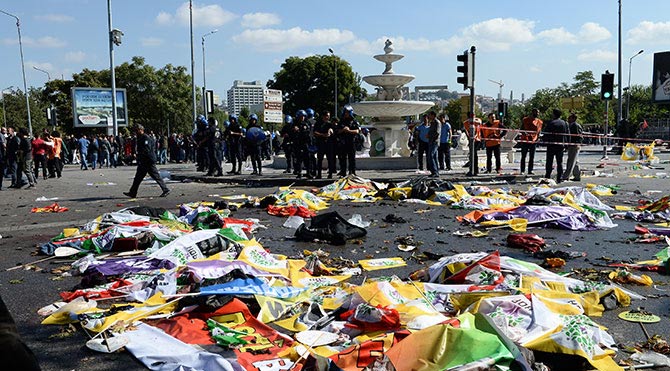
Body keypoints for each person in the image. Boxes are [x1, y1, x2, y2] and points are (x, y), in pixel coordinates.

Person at [124, 125, 170, 198]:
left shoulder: (146, 138)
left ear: (141, 130)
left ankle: (165, 189)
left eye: (137, 130)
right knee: (138, 178)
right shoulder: (140, 138)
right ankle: (132, 192)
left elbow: (147, 149)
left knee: (155, 176)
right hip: (143, 161)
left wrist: (138, 155)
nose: (136, 132)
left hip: (148, 160)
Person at [543, 108, 569, 182]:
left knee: (549, 161)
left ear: (554, 114)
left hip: (551, 145)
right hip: (560, 145)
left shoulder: (551, 123)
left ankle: (548, 175)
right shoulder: (564, 123)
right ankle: (560, 177)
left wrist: (545, 142)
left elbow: (546, 133)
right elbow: (567, 134)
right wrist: (566, 145)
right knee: (559, 162)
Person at [337, 106, 360, 176]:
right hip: (343, 142)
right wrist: (343, 130)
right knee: (342, 158)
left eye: (347, 112)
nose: (346, 114)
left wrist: (349, 130)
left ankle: (352, 171)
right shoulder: (341, 121)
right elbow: (337, 131)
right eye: (345, 112)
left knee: (352, 158)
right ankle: (343, 171)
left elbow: (357, 131)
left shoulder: (354, 121)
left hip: (351, 141)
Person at [519, 108, 542, 175]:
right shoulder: (525, 120)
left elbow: (539, 131)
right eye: (536, 112)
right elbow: (521, 129)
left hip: (533, 141)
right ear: (532, 112)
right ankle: (522, 170)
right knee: (523, 156)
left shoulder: (539, 122)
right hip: (525, 140)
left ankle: (530, 170)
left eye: (538, 112)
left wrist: (539, 136)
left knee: (532, 156)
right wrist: (524, 133)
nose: (537, 114)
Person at [314, 110, 336, 179]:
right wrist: (323, 135)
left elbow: (334, 131)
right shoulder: (318, 123)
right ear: (323, 116)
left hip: (329, 143)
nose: (327, 118)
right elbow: (315, 132)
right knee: (320, 159)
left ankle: (330, 174)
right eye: (326, 116)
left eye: (329, 116)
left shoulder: (330, 124)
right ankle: (319, 174)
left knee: (330, 159)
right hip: (321, 143)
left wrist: (331, 130)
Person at [562, 113, 583, 182]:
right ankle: (577, 176)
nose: (568, 119)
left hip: (574, 145)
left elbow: (579, 136)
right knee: (575, 161)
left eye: (569, 118)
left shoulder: (576, 125)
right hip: (571, 145)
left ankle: (566, 176)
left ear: (574, 118)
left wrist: (577, 144)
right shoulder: (570, 125)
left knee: (570, 161)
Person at [292, 110, 312, 179]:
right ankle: (299, 172)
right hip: (298, 143)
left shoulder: (307, 123)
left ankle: (308, 172)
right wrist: (295, 130)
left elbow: (309, 132)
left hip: (305, 143)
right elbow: (292, 132)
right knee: (299, 159)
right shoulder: (295, 123)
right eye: (300, 117)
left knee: (307, 158)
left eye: (303, 116)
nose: (302, 118)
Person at [463, 111, 482, 176]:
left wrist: (472, 120)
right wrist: (469, 138)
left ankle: (475, 169)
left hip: (477, 140)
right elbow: (466, 131)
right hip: (471, 140)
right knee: (472, 155)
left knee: (474, 155)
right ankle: (472, 169)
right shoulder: (466, 123)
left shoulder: (477, 120)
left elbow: (479, 123)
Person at [426, 111, 441, 177]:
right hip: (431, 141)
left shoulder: (437, 122)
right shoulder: (432, 122)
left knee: (431, 156)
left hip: (434, 141)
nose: (429, 116)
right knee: (434, 157)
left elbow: (437, 133)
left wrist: (429, 136)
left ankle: (435, 171)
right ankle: (435, 172)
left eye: (430, 115)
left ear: (433, 115)